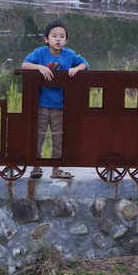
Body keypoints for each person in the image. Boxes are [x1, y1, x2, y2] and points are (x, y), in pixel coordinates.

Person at [21, 20, 89, 179]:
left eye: (62, 36)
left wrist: (75, 69)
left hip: (60, 106)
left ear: (66, 40)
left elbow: (85, 64)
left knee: (59, 138)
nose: (58, 39)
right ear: (46, 39)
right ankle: (36, 167)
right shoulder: (39, 53)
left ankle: (55, 169)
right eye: (54, 36)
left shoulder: (70, 55)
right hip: (41, 105)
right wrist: (40, 67)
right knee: (38, 136)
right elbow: (25, 65)